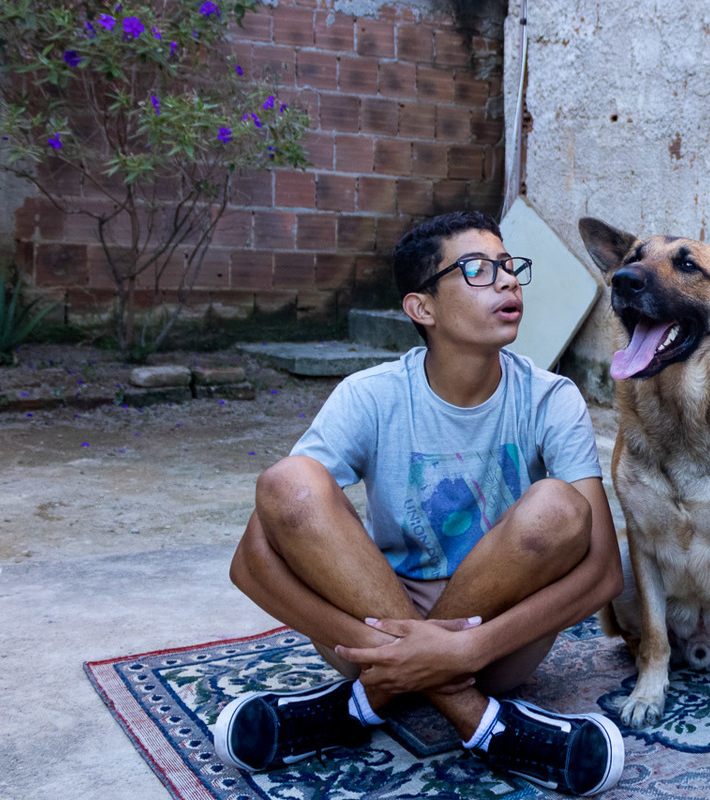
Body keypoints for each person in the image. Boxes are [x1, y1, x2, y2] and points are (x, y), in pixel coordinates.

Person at [212, 210, 626, 796]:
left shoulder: (551, 399)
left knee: (558, 507)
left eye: (511, 267)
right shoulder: (371, 396)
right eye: (480, 270)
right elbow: (251, 558)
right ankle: (480, 722)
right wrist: (387, 648)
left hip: (495, 639)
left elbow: (604, 571)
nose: (508, 282)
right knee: (288, 481)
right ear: (422, 308)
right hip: (373, 616)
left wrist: (465, 647)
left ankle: (355, 708)